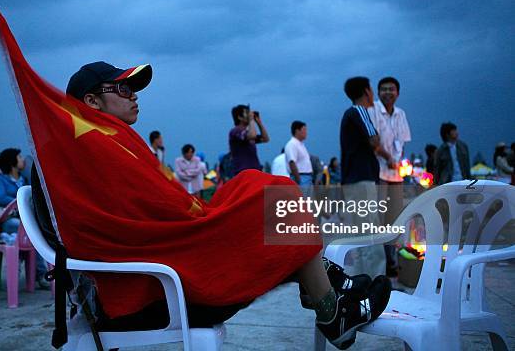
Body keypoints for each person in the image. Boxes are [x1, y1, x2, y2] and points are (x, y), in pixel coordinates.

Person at [31, 60, 391, 349]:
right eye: (124, 89)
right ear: (91, 102)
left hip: (154, 263)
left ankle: (327, 294)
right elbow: (146, 216)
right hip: (146, 291)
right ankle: (331, 304)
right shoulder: (83, 150)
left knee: (257, 187)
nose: (134, 96)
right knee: (277, 201)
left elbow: (156, 205)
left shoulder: (104, 143)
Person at [340, 77, 395, 279]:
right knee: (371, 231)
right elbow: (374, 139)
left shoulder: (350, 114)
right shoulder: (359, 111)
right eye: (372, 89)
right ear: (366, 91)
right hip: (361, 181)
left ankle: (364, 279)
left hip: (354, 181)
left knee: (361, 233)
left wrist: (387, 157)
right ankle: (376, 281)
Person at [367, 76, 411, 279]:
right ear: (378, 92)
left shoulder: (401, 113)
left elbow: (402, 142)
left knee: (394, 220)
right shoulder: (373, 110)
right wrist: (389, 158)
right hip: (378, 173)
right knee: (378, 219)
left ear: (398, 93)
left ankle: (392, 262)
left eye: (391, 89)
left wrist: (398, 162)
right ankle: (381, 264)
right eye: (383, 89)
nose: (387, 92)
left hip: (396, 175)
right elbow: (373, 142)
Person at [0, 148, 50, 289]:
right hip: (9, 219)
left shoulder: (23, 179)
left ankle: (40, 273)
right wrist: (20, 202)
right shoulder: (0, 180)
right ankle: (41, 274)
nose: (22, 160)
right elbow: (0, 198)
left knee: (35, 231)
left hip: (23, 220)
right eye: (19, 157)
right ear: (12, 162)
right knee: (31, 232)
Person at [228, 105, 269, 175]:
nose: (250, 115)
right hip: (243, 173)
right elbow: (252, 135)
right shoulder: (235, 131)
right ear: (239, 117)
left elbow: (265, 139)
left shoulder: (247, 133)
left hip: (254, 172)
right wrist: (251, 120)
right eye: (247, 113)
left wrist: (259, 123)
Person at [284, 121, 313, 188]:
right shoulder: (292, 144)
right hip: (301, 177)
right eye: (304, 130)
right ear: (297, 131)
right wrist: (298, 180)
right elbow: (292, 162)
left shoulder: (300, 144)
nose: (306, 132)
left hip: (306, 178)